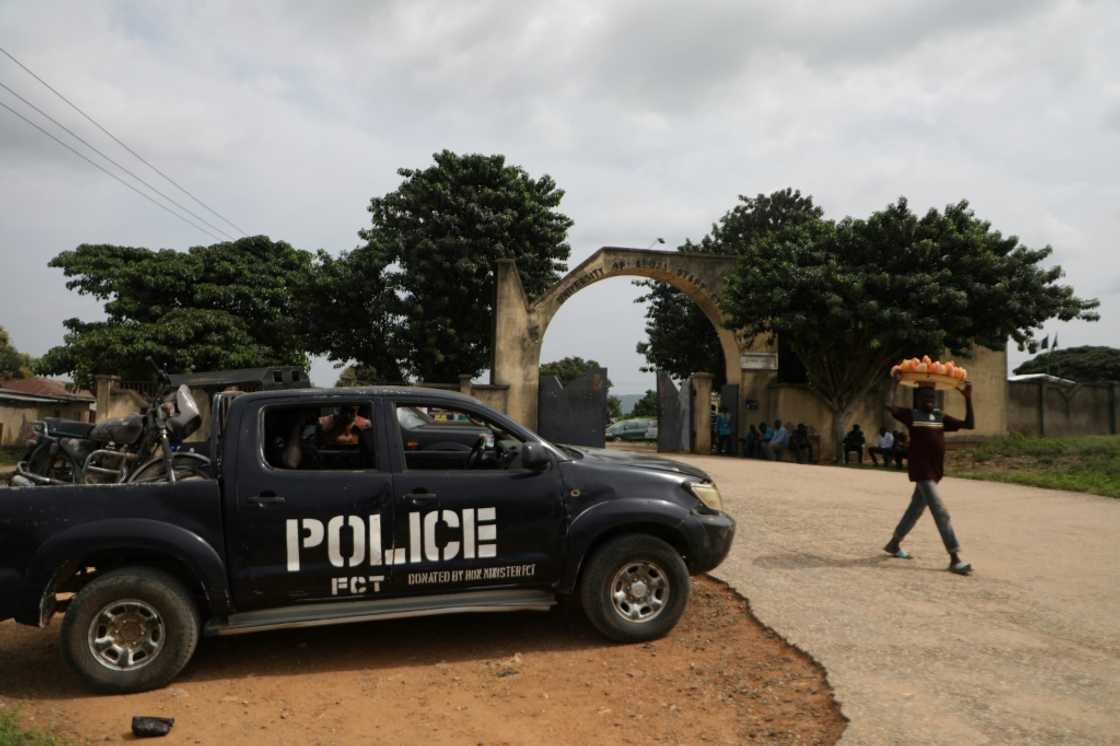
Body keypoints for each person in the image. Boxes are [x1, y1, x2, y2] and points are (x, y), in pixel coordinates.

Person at [882, 376, 975, 575]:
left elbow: (969, 424)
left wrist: (967, 398)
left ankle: (893, 544)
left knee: (914, 510)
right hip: (921, 471)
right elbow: (888, 405)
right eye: (924, 396)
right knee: (941, 512)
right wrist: (894, 383)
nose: (929, 399)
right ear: (917, 399)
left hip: (935, 472)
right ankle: (954, 557)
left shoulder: (940, 417)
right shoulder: (911, 415)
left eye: (932, 396)